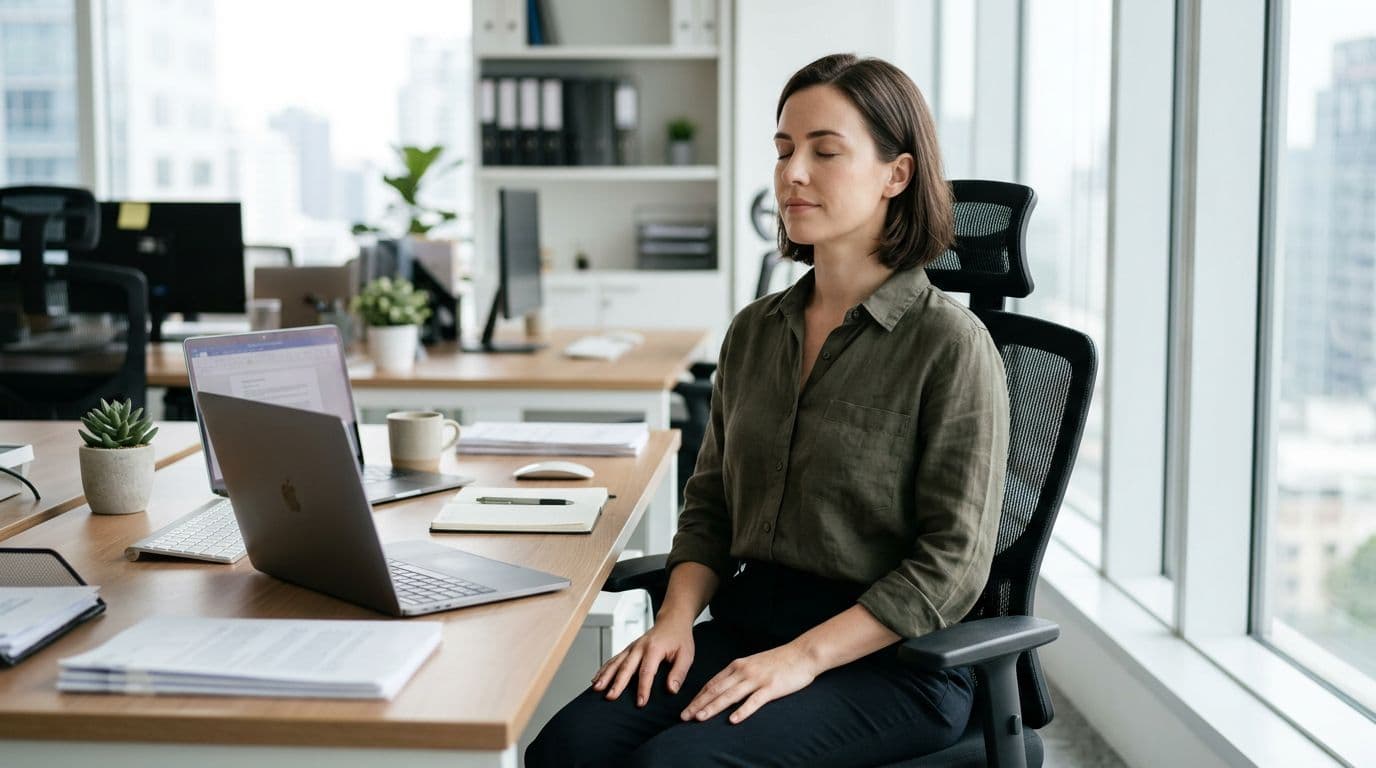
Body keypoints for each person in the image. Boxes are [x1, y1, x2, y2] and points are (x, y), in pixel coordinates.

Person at [527, 53, 1011, 767]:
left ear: (896, 175)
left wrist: (803, 659)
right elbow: (713, 504)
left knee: (680, 764)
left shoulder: (951, 346)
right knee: (569, 747)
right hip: (754, 621)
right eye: (784, 150)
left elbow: (951, 566)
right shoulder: (757, 330)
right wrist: (675, 621)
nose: (792, 174)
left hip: (895, 659)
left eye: (825, 152)